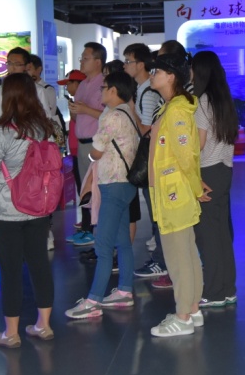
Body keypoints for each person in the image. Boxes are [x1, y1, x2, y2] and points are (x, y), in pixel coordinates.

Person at [0, 73, 57, 346]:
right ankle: (43, 325)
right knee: (39, 265)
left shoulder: (0, 132)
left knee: (10, 270)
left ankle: (11, 333)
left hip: (7, 209)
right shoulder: (44, 129)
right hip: (39, 207)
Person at [65, 71, 140, 319]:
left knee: (103, 245)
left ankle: (93, 301)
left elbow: (96, 151)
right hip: (126, 184)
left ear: (113, 91)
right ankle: (124, 290)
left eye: (103, 87)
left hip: (112, 184)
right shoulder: (128, 112)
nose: (100, 91)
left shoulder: (112, 116)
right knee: (122, 242)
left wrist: (89, 157)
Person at [147, 52, 205, 336]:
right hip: (171, 191)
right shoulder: (170, 107)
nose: (152, 75)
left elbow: (186, 155)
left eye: (156, 71)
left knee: (178, 256)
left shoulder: (177, 110)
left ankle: (183, 316)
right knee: (185, 252)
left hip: (175, 192)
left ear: (171, 76)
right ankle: (192, 309)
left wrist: (196, 188)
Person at [191, 51, 239, 308]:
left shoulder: (202, 101)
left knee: (208, 236)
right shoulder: (223, 99)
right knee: (221, 234)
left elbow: (198, 144)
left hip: (207, 171)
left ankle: (213, 292)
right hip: (223, 170)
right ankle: (227, 288)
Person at [125, 44, 171, 287]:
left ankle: (162, 261)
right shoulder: (143, 90)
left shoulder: (148, 93)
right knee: (156, 214)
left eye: (129, 61)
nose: (126, 66)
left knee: (158, 214)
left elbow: (147, 129)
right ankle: (161, 259)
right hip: (151, 159)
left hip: (152, 160)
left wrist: (131, 109)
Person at [66, 43, 106, 246]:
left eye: (85, 58)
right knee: (84, 188)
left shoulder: (105, 84)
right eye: (82, 58)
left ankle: (99, 232)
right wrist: (74, 111)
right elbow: (78, 117)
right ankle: (87, 229)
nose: (81, 61)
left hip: (96, 144)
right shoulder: (82, 85)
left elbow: (110, 115)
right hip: (82, 144)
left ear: (98, 61)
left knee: (97, 189)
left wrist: (85, 110)